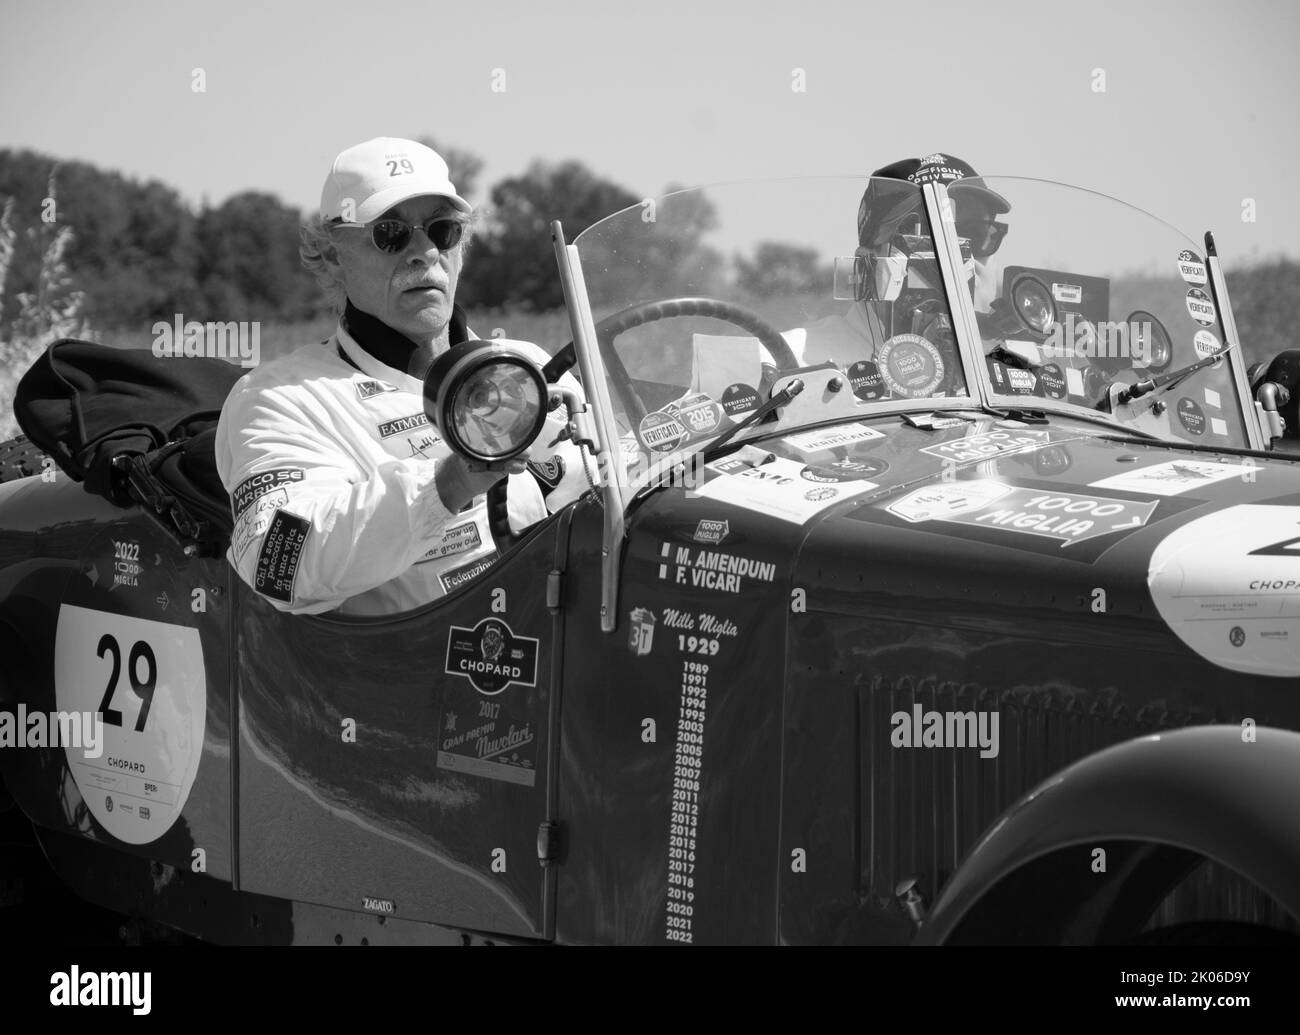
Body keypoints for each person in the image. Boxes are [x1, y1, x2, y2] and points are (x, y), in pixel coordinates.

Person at [216, 137, 591, 616]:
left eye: (442, 230)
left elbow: (612, 487)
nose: (424, 252)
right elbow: (278, 566)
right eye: (390, 233)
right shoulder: (279, 398)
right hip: (421, 674)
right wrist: (447, 486)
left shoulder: (530, 362)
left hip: (566, 643)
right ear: (333, 255)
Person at [792, 153, 1011, 369]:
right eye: (925, 239)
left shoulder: (1025, 374)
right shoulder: (792, 364)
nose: (958, 259)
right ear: (865, 263)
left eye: (976, 234)